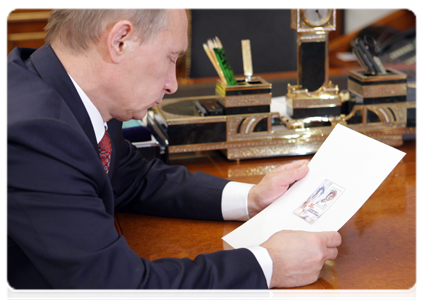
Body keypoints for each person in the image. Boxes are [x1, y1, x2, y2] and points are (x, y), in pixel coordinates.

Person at [5, 8, 341, 300]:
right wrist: (267, 264)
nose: (173, 84)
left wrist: (251, 198)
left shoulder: (65, 92)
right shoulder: (34, 134)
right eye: (170, 58)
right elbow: (120, 290)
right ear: (120, 40)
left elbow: (135, 178)